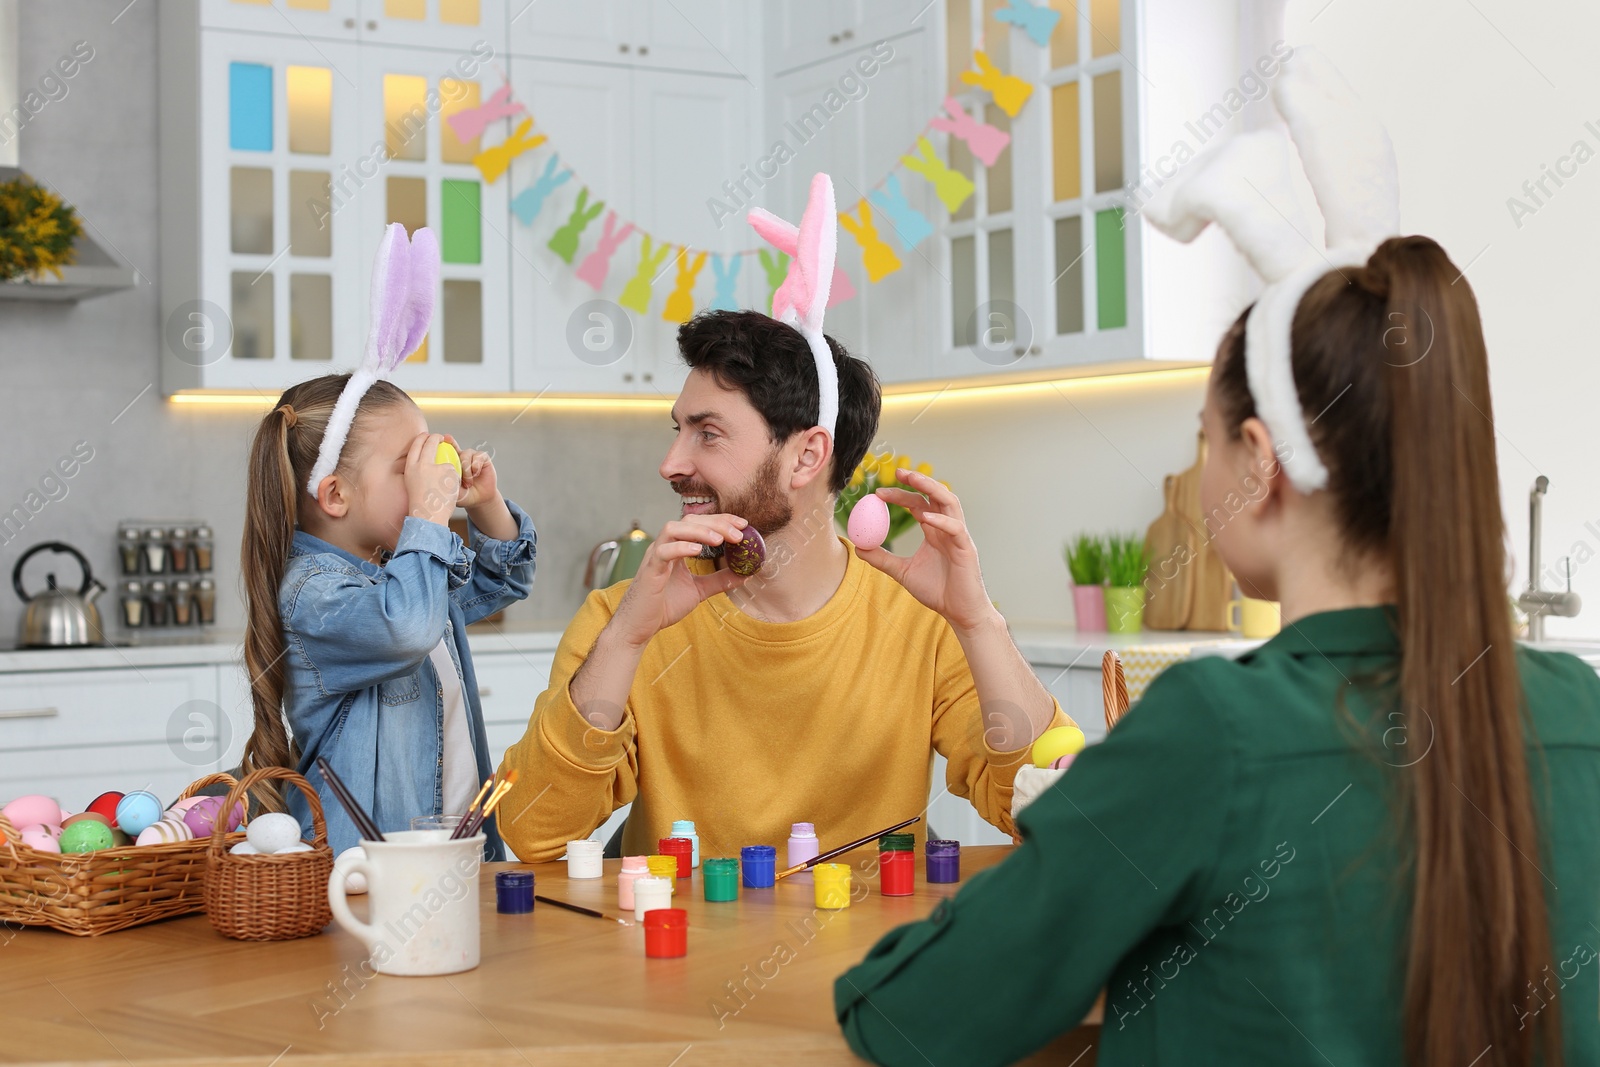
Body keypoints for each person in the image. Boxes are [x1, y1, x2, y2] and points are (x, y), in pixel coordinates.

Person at [833, 236, 1600, 1065]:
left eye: (1207, 442)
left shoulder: (1214, 729)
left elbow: (913, 1013)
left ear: (1261, 462)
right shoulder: (1580, 710)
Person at [496, 309, 1071, 862]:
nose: (670, 462)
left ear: (806, 457)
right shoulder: (623, 621)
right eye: (679, 431)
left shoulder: (922, 620)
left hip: (870, 957)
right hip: (684, 955)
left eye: (708, 434)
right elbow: (534, 832)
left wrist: (978, 623)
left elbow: (1054, 813)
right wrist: (624, 643)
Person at [238, 373, 537, 857]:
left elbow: (503, 580)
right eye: (409, 468)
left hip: (454, 852)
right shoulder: (314, 594)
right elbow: (407, 628)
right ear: (336, 496)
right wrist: (431, 512)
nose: (431, 477)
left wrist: (485, 504)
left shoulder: (400, 574)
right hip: (366, 872)